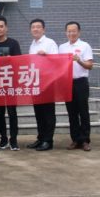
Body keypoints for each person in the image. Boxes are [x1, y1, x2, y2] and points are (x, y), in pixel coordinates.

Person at [59, 21, 94, 152]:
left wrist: (79, 60)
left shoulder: (85, 46)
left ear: (79, 32)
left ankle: (85, 140)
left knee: (83, 112)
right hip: (67, 83)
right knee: (71, 113)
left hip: (81, 82)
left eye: (74, 31)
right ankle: (75, 139)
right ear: (65, 32)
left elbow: (90, 65)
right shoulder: (62, 47)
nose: (71, 33)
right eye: (69, 31)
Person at [27, 18, 59, 151]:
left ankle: (48, 140)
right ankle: (40, 138)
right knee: (38, 112)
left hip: (48, 83)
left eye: (38, 27)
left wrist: (47, 55)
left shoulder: (50, 43)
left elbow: (58, 61)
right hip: (36, 82)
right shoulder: (32, 45)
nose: (35, 29)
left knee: (48, 113)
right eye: (33, 27)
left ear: (43, 29)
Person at [0, 15, 22, 151]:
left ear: (6, 28)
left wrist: (11, 60)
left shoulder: (13, 43)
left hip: (10, 83)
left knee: (12, 112)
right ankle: (3, 139)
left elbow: (20, 63)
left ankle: (13, 140)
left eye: (1, 26)